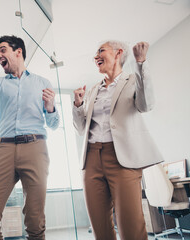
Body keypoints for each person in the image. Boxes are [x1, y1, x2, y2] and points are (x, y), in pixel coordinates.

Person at [0, 33, 59, 240]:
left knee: (35, 221)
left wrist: (50, 107)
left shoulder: (43, 82)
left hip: (35, 147)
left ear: (18, 52)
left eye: (2, 50)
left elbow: (54, 124)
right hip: (4, 149)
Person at [72, 41, 164, 240]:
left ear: (118, 53)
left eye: (101, 51)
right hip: (91, 159)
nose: (95, 56)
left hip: (123, 158)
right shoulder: (93, 90)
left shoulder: (132, 80)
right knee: (100, 227)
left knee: (130, 225)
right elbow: (81, 129)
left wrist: (141, 63)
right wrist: (78, 105)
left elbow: (146, 105)